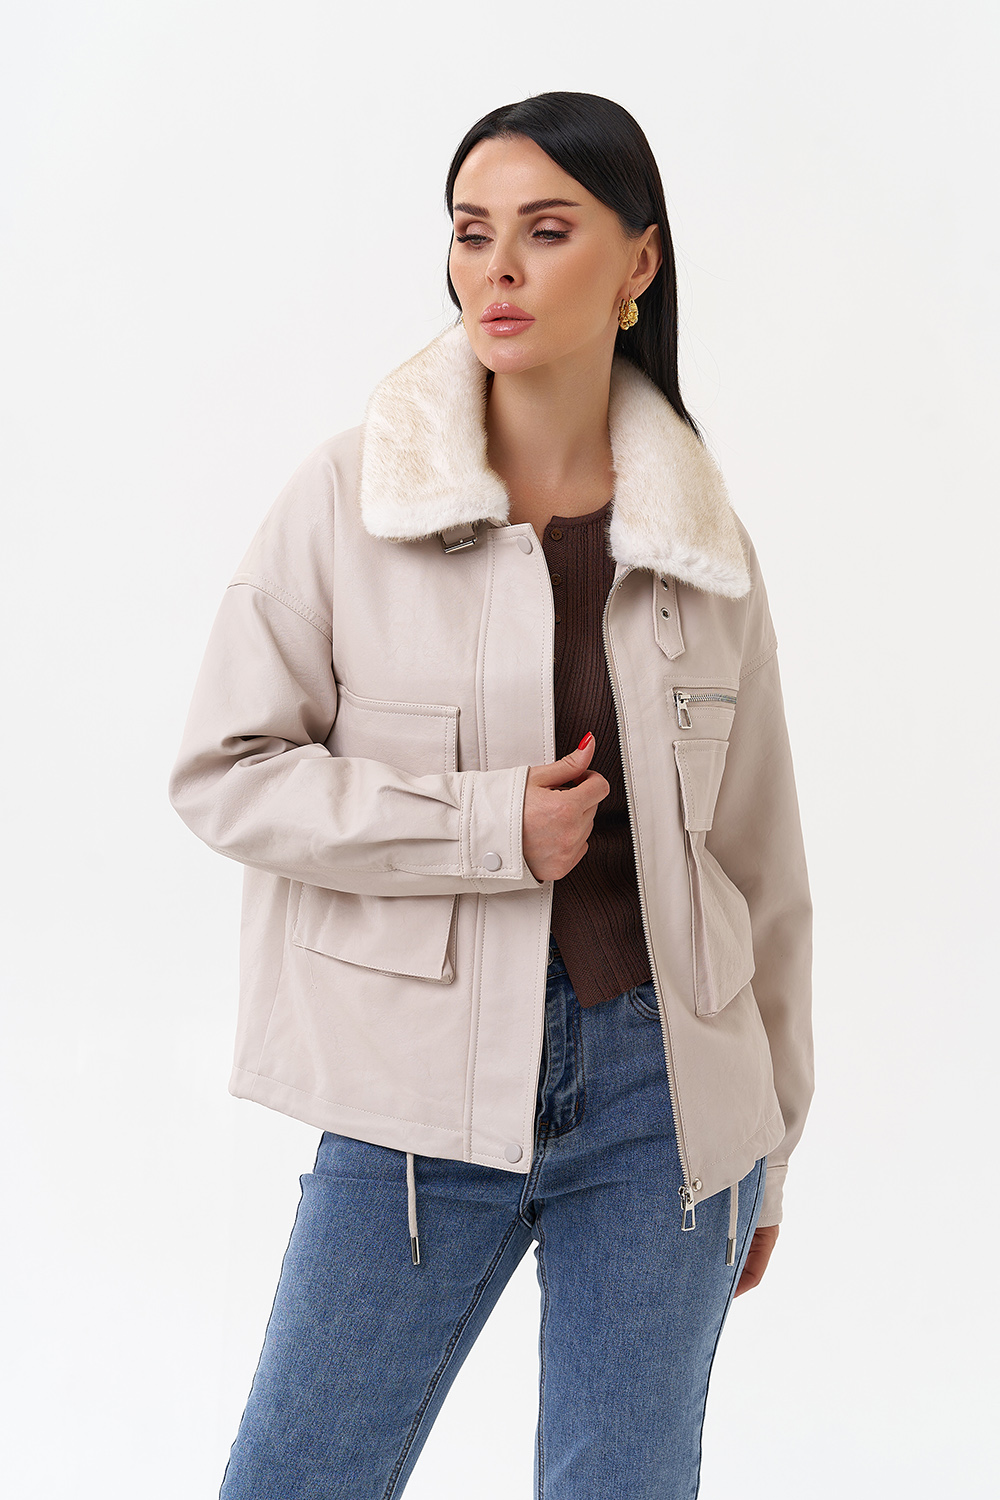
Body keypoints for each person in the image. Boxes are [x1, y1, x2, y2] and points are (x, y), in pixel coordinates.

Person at [168, 90, 814, 1500]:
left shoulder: (703, 542)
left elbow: (760, 863)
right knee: (295, 1476)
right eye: (472, 233)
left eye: (546, 230)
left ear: (640, 261)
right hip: (410, 1095)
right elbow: (225, 773)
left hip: (664, 1101)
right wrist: (482, 827)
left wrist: (770, 1143)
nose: (498, 269)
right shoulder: (348, 501)